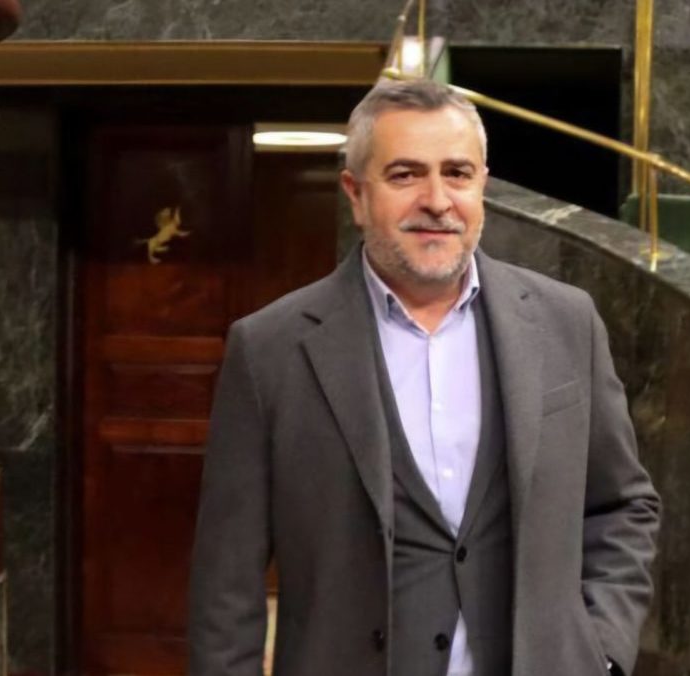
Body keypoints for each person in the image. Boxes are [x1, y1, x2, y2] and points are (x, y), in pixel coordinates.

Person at [188, 78, 660, 676]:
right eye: (405, 175)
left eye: (457, 173)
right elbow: (226, 578)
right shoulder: (269, 350)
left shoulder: (567, 323)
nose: (437, 200)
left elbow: (622, 506)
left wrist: (601, 652)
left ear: (482, 186)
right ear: (356, 195)